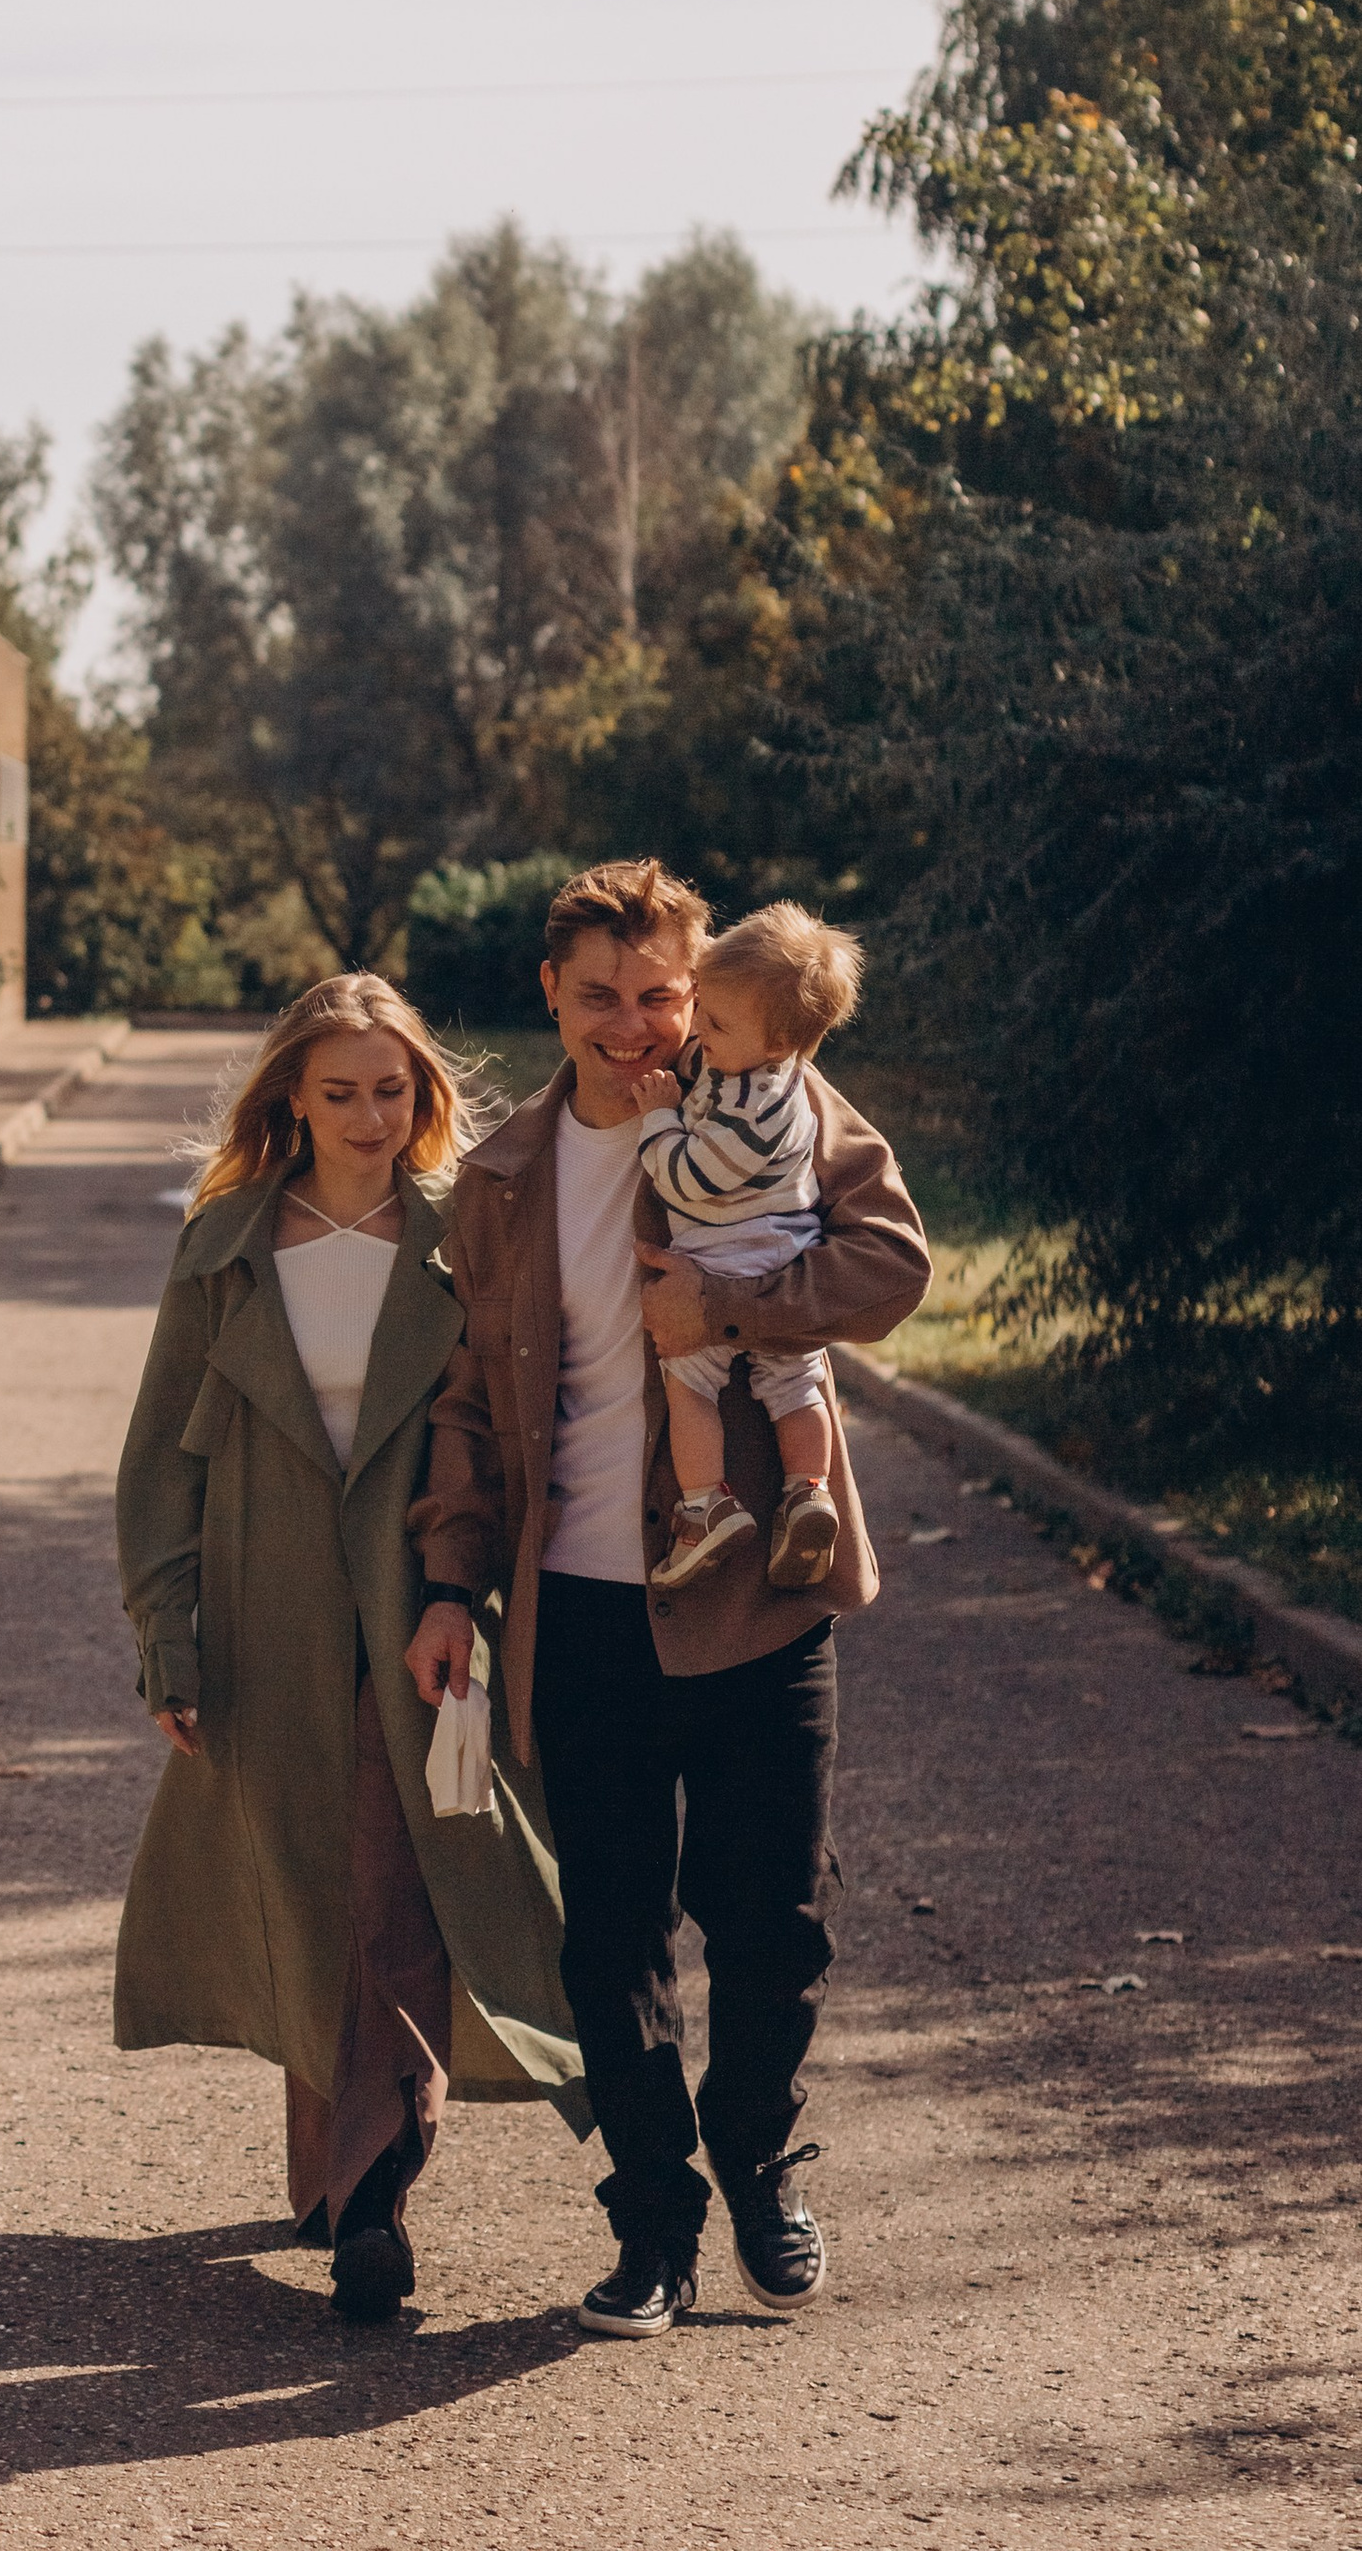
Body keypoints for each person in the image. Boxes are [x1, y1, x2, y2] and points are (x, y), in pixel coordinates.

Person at [403, 859, 929, 2339]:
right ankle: (655, 2219)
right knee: (611, 1928)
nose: (634, 1028)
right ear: (553, 1002)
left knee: (774, 1916)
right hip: (576, 1603)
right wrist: (450, 1581)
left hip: (763, 1585)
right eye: (600, 1001)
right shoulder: (505, 1179)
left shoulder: (783, 1106)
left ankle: (758, 2162)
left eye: (658, 998)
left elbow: (891, 1263)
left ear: (698, 995)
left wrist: (737, 1313)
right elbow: (464, 1402)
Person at [114, 975, 588, 2326]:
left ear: (424, 1097)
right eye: (342, 1092)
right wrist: (172, 1638)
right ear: (291, 1100)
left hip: (427, 1607)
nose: (372, 1117)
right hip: (264, 1612)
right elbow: (159, 1464)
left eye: (395, 1090)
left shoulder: (471, 1237)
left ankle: (374, 2193)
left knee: (401, 1877)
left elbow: (516, 1429)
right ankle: (330, 2175)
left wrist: (486, 1594)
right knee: (307, 1882)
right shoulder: (225, 1246)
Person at [631, 905, 866, 1597]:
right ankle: (807, 1493)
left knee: (689, 1381)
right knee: (795, 1385)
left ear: (780, 1043)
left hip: (730, 1264)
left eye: (717, 1025)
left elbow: (687, 1176)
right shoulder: (753, 1061)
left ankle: (706, 1505)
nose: (698, 1030)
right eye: (700, 1007)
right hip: (786, 1256)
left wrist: (657, 1120)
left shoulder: (757, 1111)